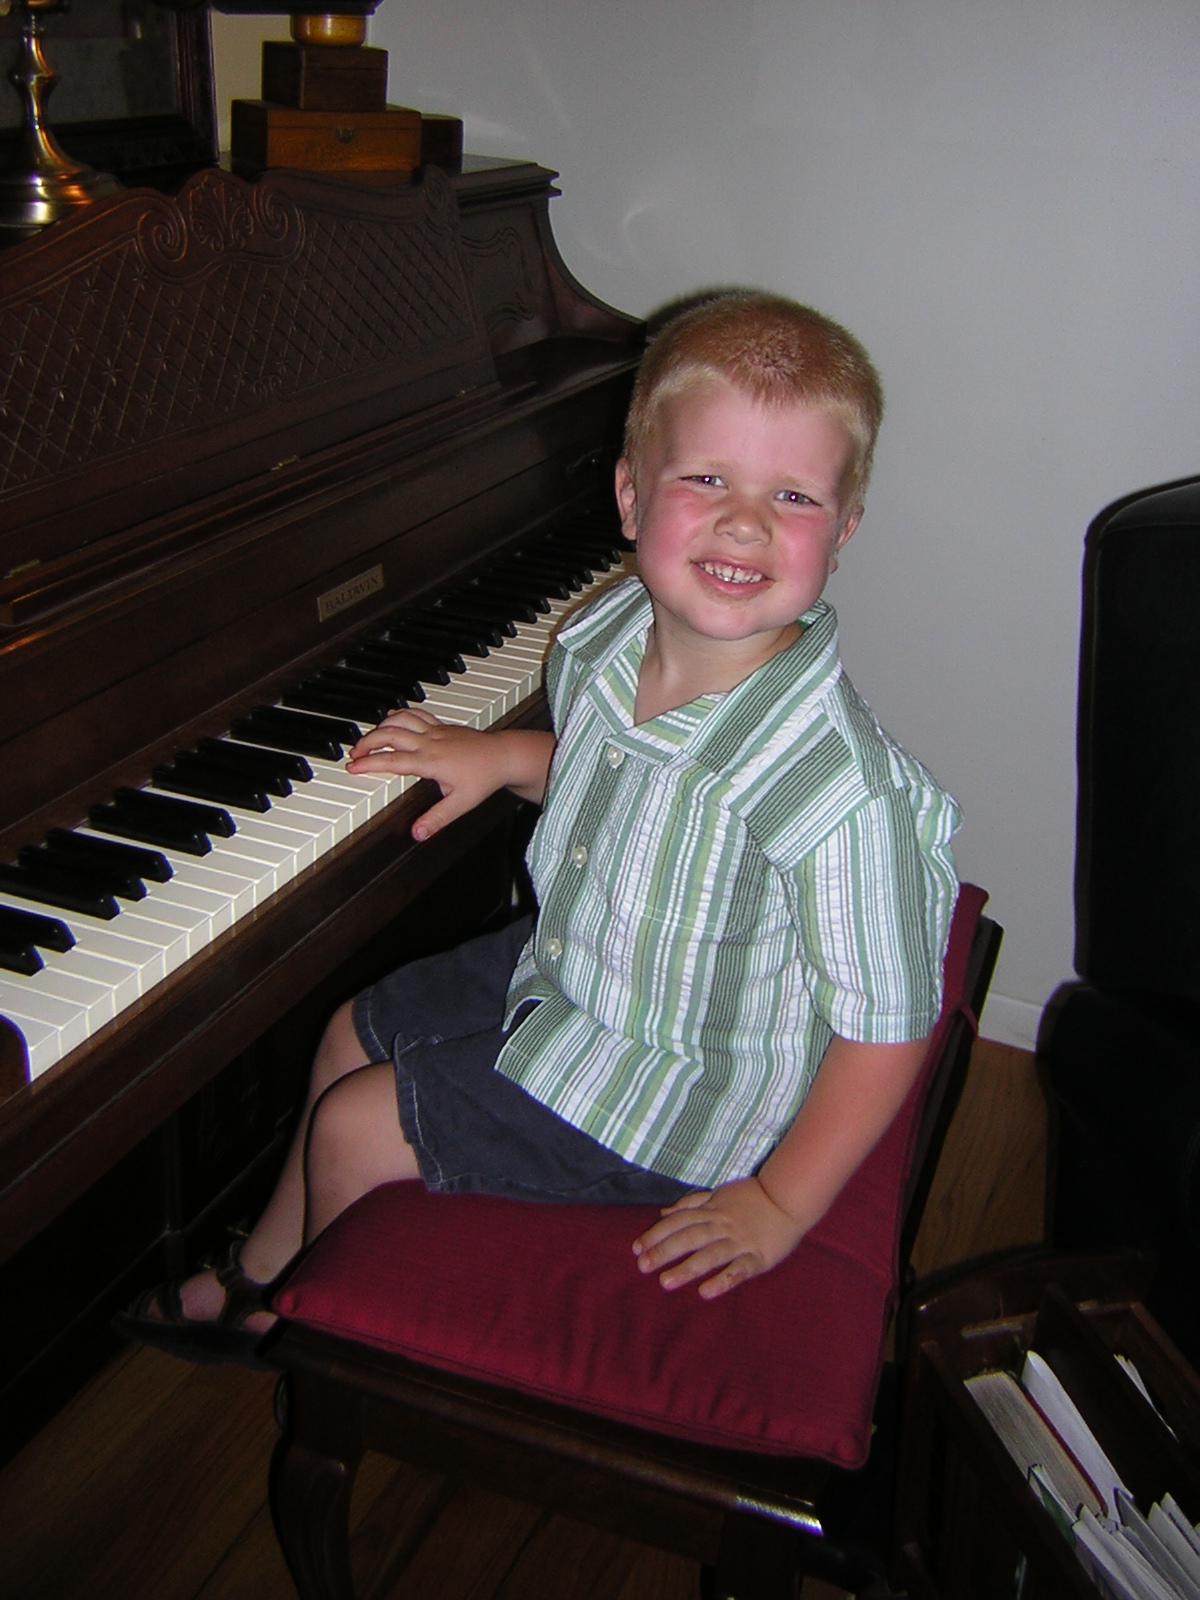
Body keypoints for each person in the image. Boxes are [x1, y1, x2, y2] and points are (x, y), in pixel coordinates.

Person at [118, 291, 960, 1366]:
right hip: (583, 973)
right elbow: (622, 786)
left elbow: (890, 1025)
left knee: (354, 1126)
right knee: (347, 1033)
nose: (745, 522)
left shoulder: (839, 792)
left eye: (792, 495)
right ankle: (262, 1274)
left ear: (841, 531)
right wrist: (507, 757)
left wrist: (781, 1202)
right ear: (630, 494)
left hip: (679, 1092)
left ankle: (318, 1336)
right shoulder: (609, 632)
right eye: (706, 479)